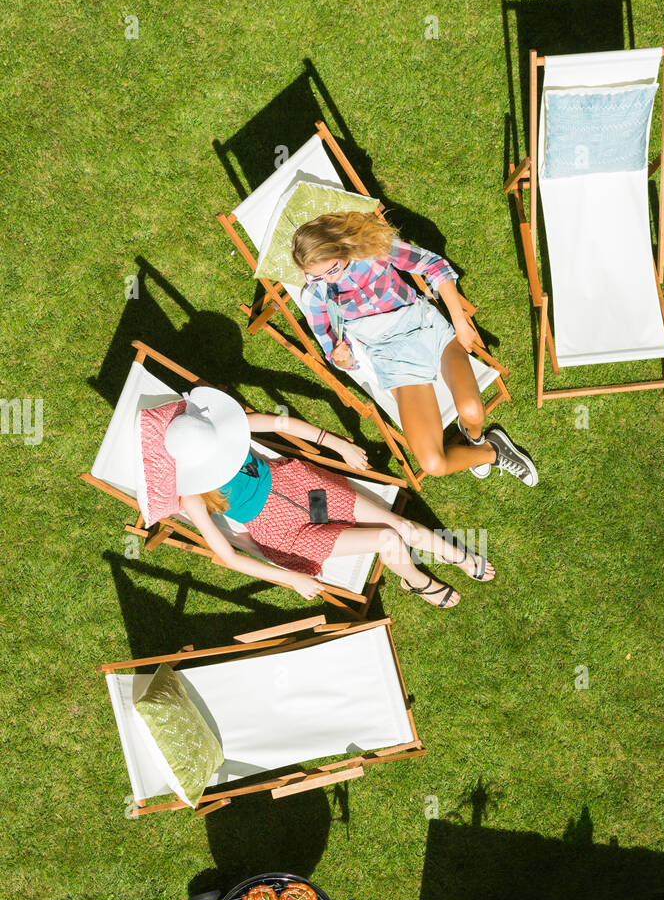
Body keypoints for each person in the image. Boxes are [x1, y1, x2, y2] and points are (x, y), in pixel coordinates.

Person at [157, 387, 493, 610]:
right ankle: (418, 581)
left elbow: (279, 421)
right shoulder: (191, 495)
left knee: (400, 524)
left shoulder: (225, 427)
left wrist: (338, 444)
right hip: (287, 534)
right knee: (387, 538)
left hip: (303, 487)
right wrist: (291, 579)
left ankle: (458, 556)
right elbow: (228, 555)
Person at [291, 211, 538, 486]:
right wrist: (344, 359)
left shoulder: (372, 249)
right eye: (316, 276)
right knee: (433, 464)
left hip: (426, 328)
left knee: (472, 412)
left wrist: (460, 322)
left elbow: (434, 265)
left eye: (332, 270)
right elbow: (335, 353)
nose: (328, 280)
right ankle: (489, 452)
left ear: (341, 247)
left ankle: (477, 437)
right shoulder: (316, 296)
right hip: (393, 359)